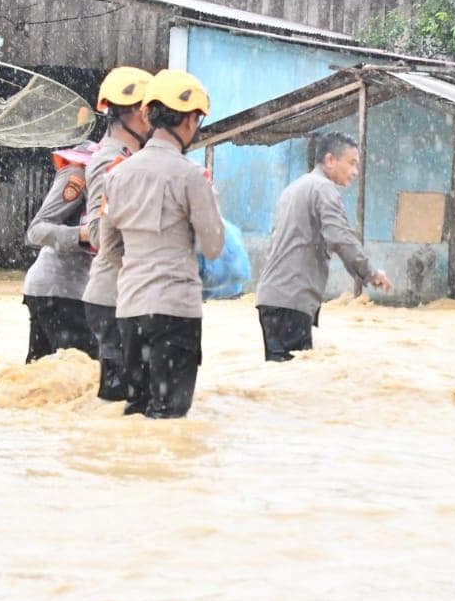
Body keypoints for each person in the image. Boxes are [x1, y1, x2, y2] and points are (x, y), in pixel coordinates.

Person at [101, 69, 224, 418]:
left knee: (138, 412)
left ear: (148, 115)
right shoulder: (191, 177)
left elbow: (107, 245)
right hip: (175, 311)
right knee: (168, 420)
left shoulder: (116, 174)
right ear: (189, 120)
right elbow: (213, 246)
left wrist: (138, 272)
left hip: (129, 312)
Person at [255, 131, 393, 362]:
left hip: (272, 297)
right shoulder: (323, 188)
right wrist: (369, 272)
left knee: (281, 378)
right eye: (351, 163)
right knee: (294, 381)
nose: (355, 172)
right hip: (292, 299)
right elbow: (339, 235)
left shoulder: (293, 188)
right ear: (330, 160)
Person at [81, 66, 153, 401]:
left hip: (123, 298)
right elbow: (98, 233)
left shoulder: (130, 157)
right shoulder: (111, 160)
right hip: (114, 299)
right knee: (120, 400)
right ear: (140, 114)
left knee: (129, 406)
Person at [21, 139, 99, 363]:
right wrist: (83, 235)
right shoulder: (77, 174)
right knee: (83, 372)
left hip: (71, 292)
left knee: (41, 378)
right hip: (59, 292)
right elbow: (37, 230)